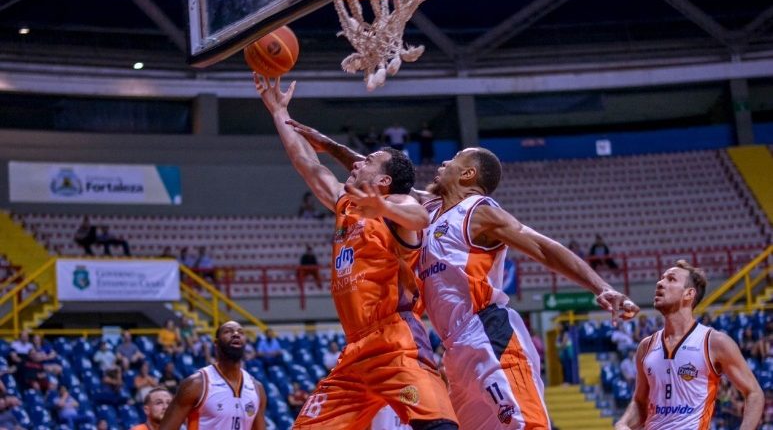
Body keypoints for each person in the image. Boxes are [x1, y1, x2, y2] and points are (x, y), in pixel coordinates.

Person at [286, 120, 640, 429]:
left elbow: (542, 246)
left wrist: (601, 286)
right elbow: (382, 181)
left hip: (488, 332)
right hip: (453, 348)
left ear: (468, 174)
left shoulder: (479, 212)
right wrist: (330, 146)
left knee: (525, 424)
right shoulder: (431, 207)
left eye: (453, 161)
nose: (443, 163)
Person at [255, 75, 458, 430]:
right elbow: (309, 165)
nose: (355, 163)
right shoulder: (345, 204)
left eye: (368, 162)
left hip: (395, 343)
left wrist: (382, 206)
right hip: (354, 352)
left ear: (383, 182)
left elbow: (420, 216)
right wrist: (277, 112)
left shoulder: (396, 204)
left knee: (440, 426)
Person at [614, 260, 763, 430]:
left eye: (670, 279)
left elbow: (754, 394)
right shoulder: (645, 347)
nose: (660, 283)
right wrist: (623, 423)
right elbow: (640, 402)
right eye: (661, 278)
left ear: (689, 294)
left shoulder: (714, 342)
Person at [159, 321, 266, 430]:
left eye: (240, 332)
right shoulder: (195, 384)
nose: (236, 334)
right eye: (228, 331)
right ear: (216, 343)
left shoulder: (257, 388)